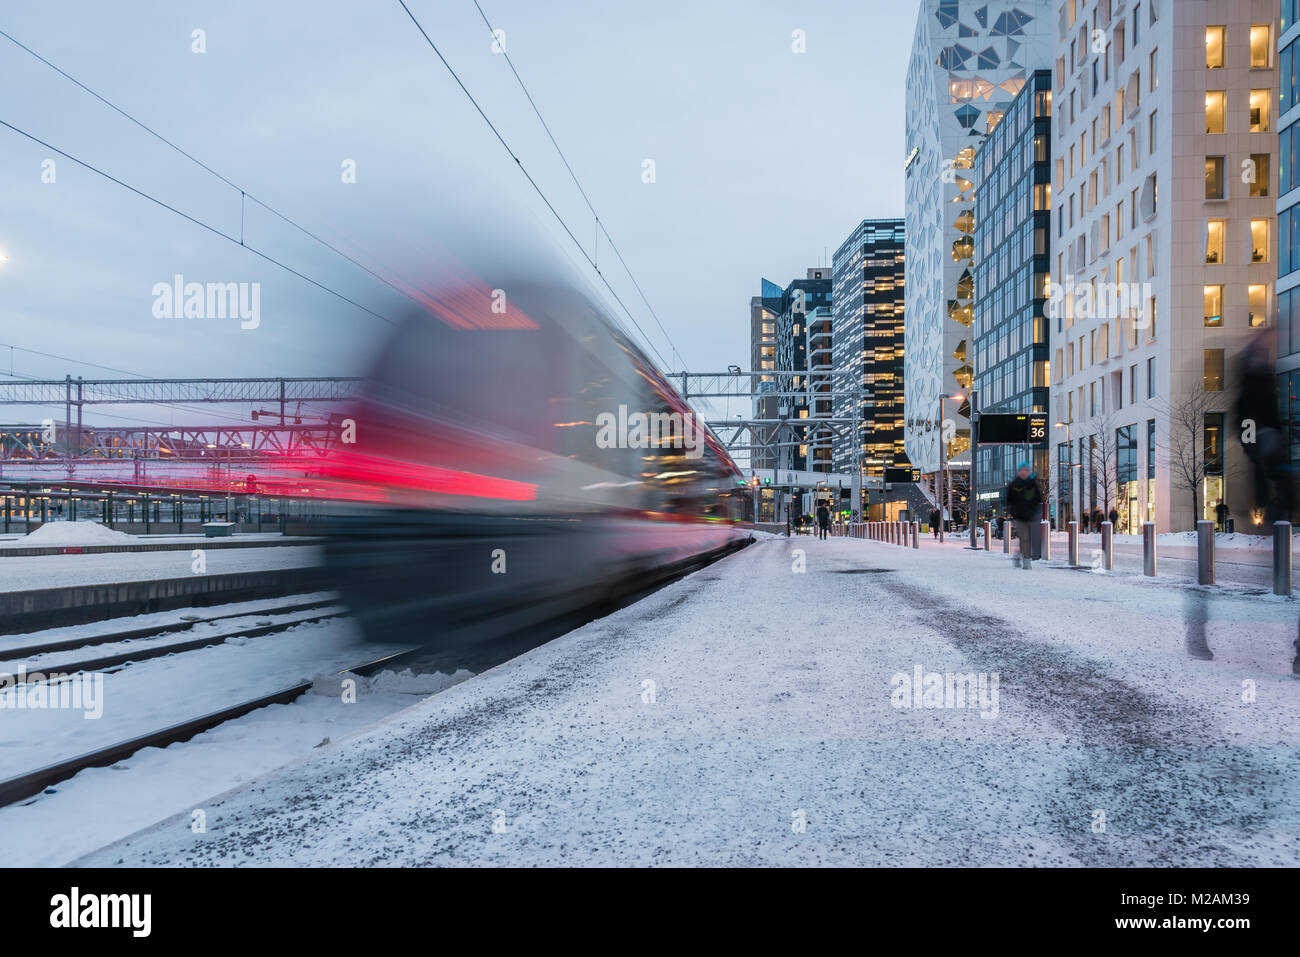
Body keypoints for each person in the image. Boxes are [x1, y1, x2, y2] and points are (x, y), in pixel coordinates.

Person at [1237, 332, 1294, 524]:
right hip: (1258, 430)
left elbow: (1272, 410)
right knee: (1264, 466)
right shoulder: (1252, 379)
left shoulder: (1264, 377)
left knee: (1271, 467)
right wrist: (1250, 441)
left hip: (1265, 431)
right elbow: (1246, 411)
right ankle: (1271, 503)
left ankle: (1279, 504)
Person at [1005, 462, 1043, 569]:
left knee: (1027, 539)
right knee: (1024, 537)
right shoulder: (1013, 485)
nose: (1023, 472)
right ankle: (1026, 560)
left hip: (1031, 515)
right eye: (1021, 470)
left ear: (1029, 472)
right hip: (1019, 516)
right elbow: (1009, 500)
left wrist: (1035, 510)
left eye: (1025, 470)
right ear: (1018, 472)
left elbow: (1038, 499)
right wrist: (1012, 511)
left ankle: (1017, 555)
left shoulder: (1033, 484)